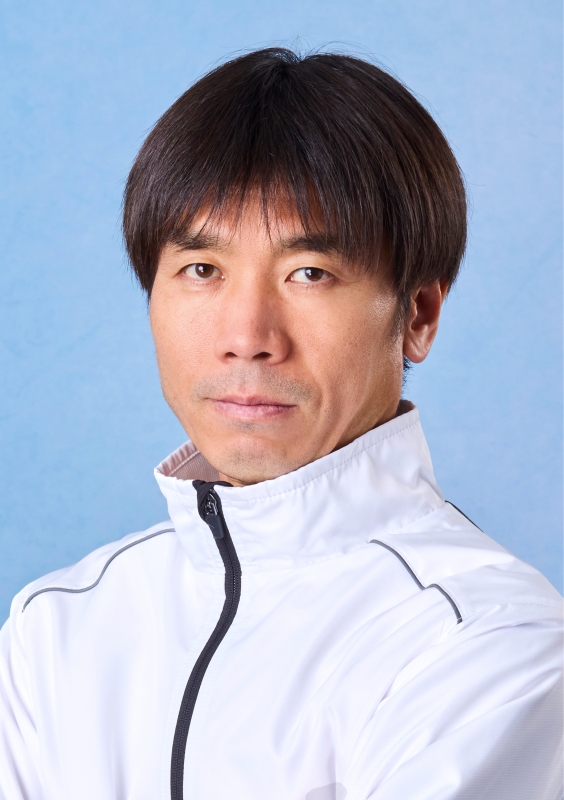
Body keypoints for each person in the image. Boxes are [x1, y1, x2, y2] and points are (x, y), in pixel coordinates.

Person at [0, 48, 561, 800]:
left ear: (418, 314)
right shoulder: (55, 629)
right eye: (202, 270)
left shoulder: (489, 640)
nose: (247, 336)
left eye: (309, 274)